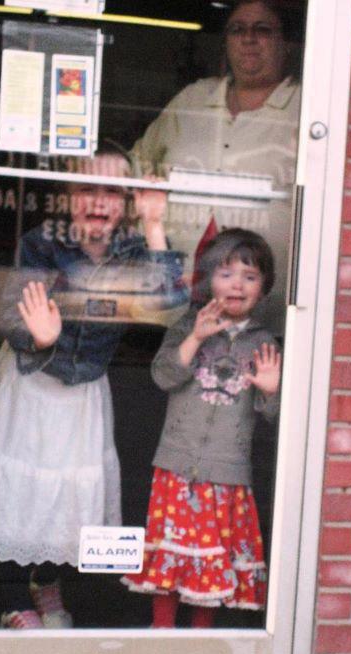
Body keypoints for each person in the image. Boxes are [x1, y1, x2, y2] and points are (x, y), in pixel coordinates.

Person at [0, 147, 184, 629]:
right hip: (32, 384)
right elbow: (10, 314)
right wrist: (37, 335)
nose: (99, 201)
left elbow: (168, 308)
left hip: (82, 394)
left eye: (112, 191)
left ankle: (46, 586)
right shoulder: (43, 242)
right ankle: (10, 600)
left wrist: (152, 225)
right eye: (87, 188)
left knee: (66, 500)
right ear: (67, 196)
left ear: (127, 200)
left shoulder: (131, 248)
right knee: (20, 495)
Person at [122, 228, 281, 628]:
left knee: (211, 556)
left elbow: (275, 416)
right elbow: (163, 377)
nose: (237, 285)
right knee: (173, 554)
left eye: (249, 276)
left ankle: (201, 637)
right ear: (208, 279)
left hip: (226, 471)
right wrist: (194, 338)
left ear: (263, 289)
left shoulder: (265, 343)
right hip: (178, 465)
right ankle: (162, 630)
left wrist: (271, 391)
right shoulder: (186, 325)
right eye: (226, 274)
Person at [132, 0, 302, 333]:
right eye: (237, 30)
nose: (248, 39)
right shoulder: (194, 99)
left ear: (285, 44)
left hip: (263, 313)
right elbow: (139, 163)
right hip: (176, 301)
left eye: (262, 30)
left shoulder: (305, 107)